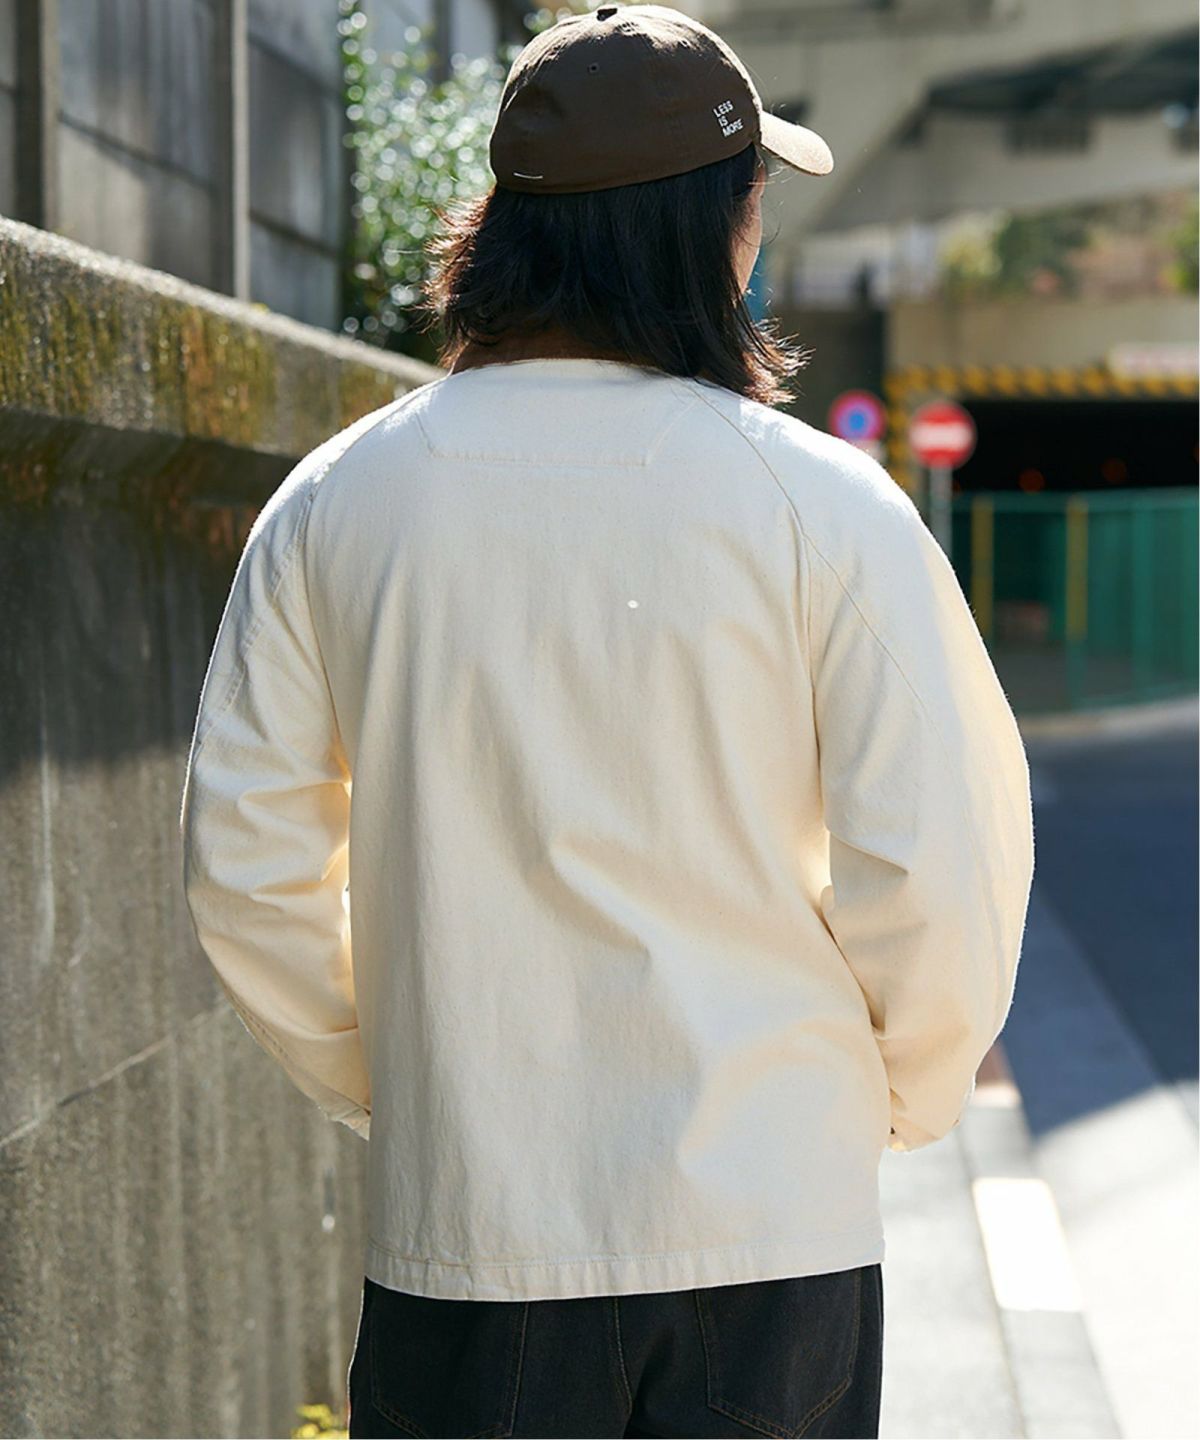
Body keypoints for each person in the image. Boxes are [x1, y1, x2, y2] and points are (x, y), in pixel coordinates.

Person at [178, 5, 1036, 1437]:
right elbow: (945, 861)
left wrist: (402, 1087)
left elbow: (245, 871)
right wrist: (882, 1102)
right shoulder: (824, 508)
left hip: (472, 1231)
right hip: (772, 1225)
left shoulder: (338, 501)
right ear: (715, 228)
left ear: (506, 231)